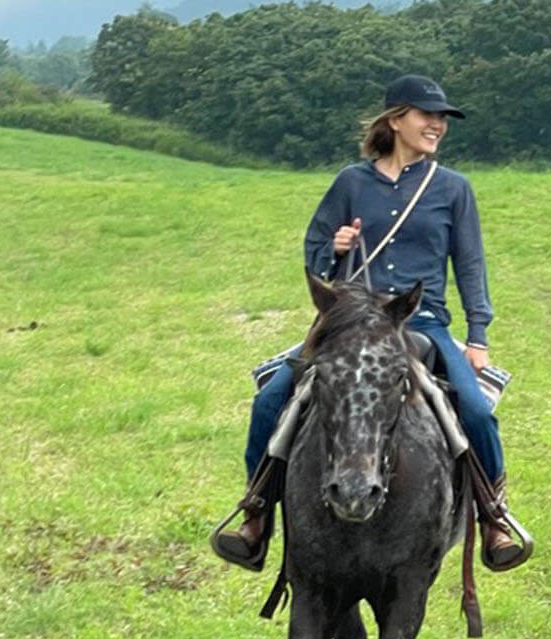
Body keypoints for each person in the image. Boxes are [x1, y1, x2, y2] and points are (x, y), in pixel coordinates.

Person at [212, 74, 526, 570]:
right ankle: (256, 514)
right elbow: (315, 255)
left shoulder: (453, 189)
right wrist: (335, 248)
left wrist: (478, 336)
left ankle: (494, 518)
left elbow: (470, 266)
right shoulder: (351, 183)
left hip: (421, 323)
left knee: (475, 411)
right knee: (271, 400)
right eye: (427, 115)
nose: (437, 125)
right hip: (350, 320)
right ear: (396, 120)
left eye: (442, 118)